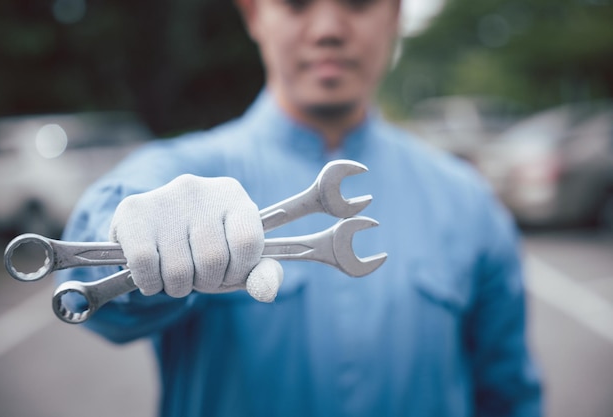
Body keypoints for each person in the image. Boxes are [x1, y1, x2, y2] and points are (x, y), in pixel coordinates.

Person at [58, 0, 543, 416]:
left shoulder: (468, 202)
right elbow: (91, 295)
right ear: (254, 13)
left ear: (395, 14)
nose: (329, 29)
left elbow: (508, 395)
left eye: (358, 2)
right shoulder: (178, 170)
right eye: (296, 3)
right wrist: (137, 239)